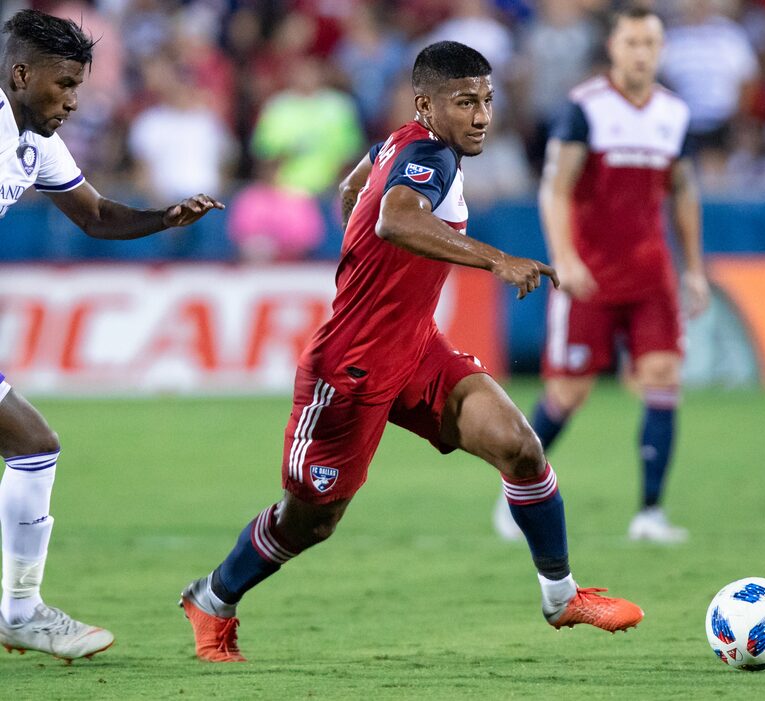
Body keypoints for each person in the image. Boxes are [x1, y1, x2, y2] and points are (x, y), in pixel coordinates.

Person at [179, 40, 643, 663]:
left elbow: (352, 189)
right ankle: (213, 598)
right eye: (464, 103)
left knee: (520, 446)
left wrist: (370, 273)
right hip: (351, 365)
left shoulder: (402, 143)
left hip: (417, 345)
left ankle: (560, 596)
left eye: (486, 100)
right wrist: (496, 259)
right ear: (425, 104)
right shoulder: (429, 153)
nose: (481, 116)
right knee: (313, 520)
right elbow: (393, 219)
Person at [0, 10, 224, 661]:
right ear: (20, 74)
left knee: (33, 445)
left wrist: (163, 218)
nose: (73, 101)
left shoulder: (36, 141)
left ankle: (18, 608)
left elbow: (95, 216)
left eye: (79, 87)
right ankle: (18, 609)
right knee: (33, 445)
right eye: (64, 85)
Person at [493, 6, 710, 545]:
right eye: (632, 42)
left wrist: (695, 271)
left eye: (651, 43)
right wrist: (564, 258)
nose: (642, 52)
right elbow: (556, 188)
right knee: (568, 393)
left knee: (661, 379)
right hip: (589, 276)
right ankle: (514, 492)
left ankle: (651, 514)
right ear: (612, 46)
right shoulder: (585, 109)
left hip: (651, 275)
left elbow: (683, 191)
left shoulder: (673, 114)